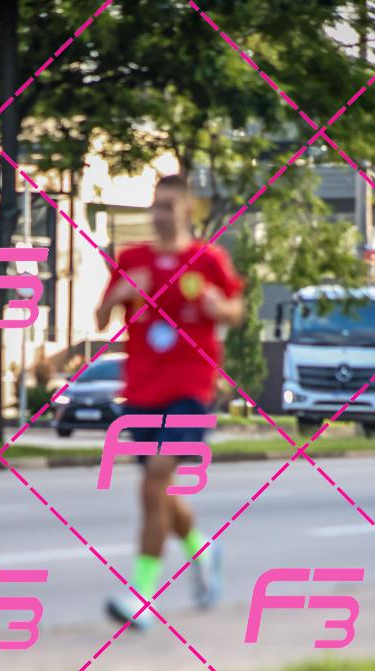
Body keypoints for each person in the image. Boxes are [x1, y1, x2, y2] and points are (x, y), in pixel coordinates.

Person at [94, 174, 245, 628]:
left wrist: (219, 307)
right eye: (156, 206)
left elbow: (237, 310)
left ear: (186, 211)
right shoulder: (132, 259)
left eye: (168, 207)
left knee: (156, 478)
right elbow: (101, 318)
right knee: (160, 489)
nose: (160, 215)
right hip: (142, 390)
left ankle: (141, 596)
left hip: (191, 388)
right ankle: (203, 549)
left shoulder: (208, 259)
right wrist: (120, 293)